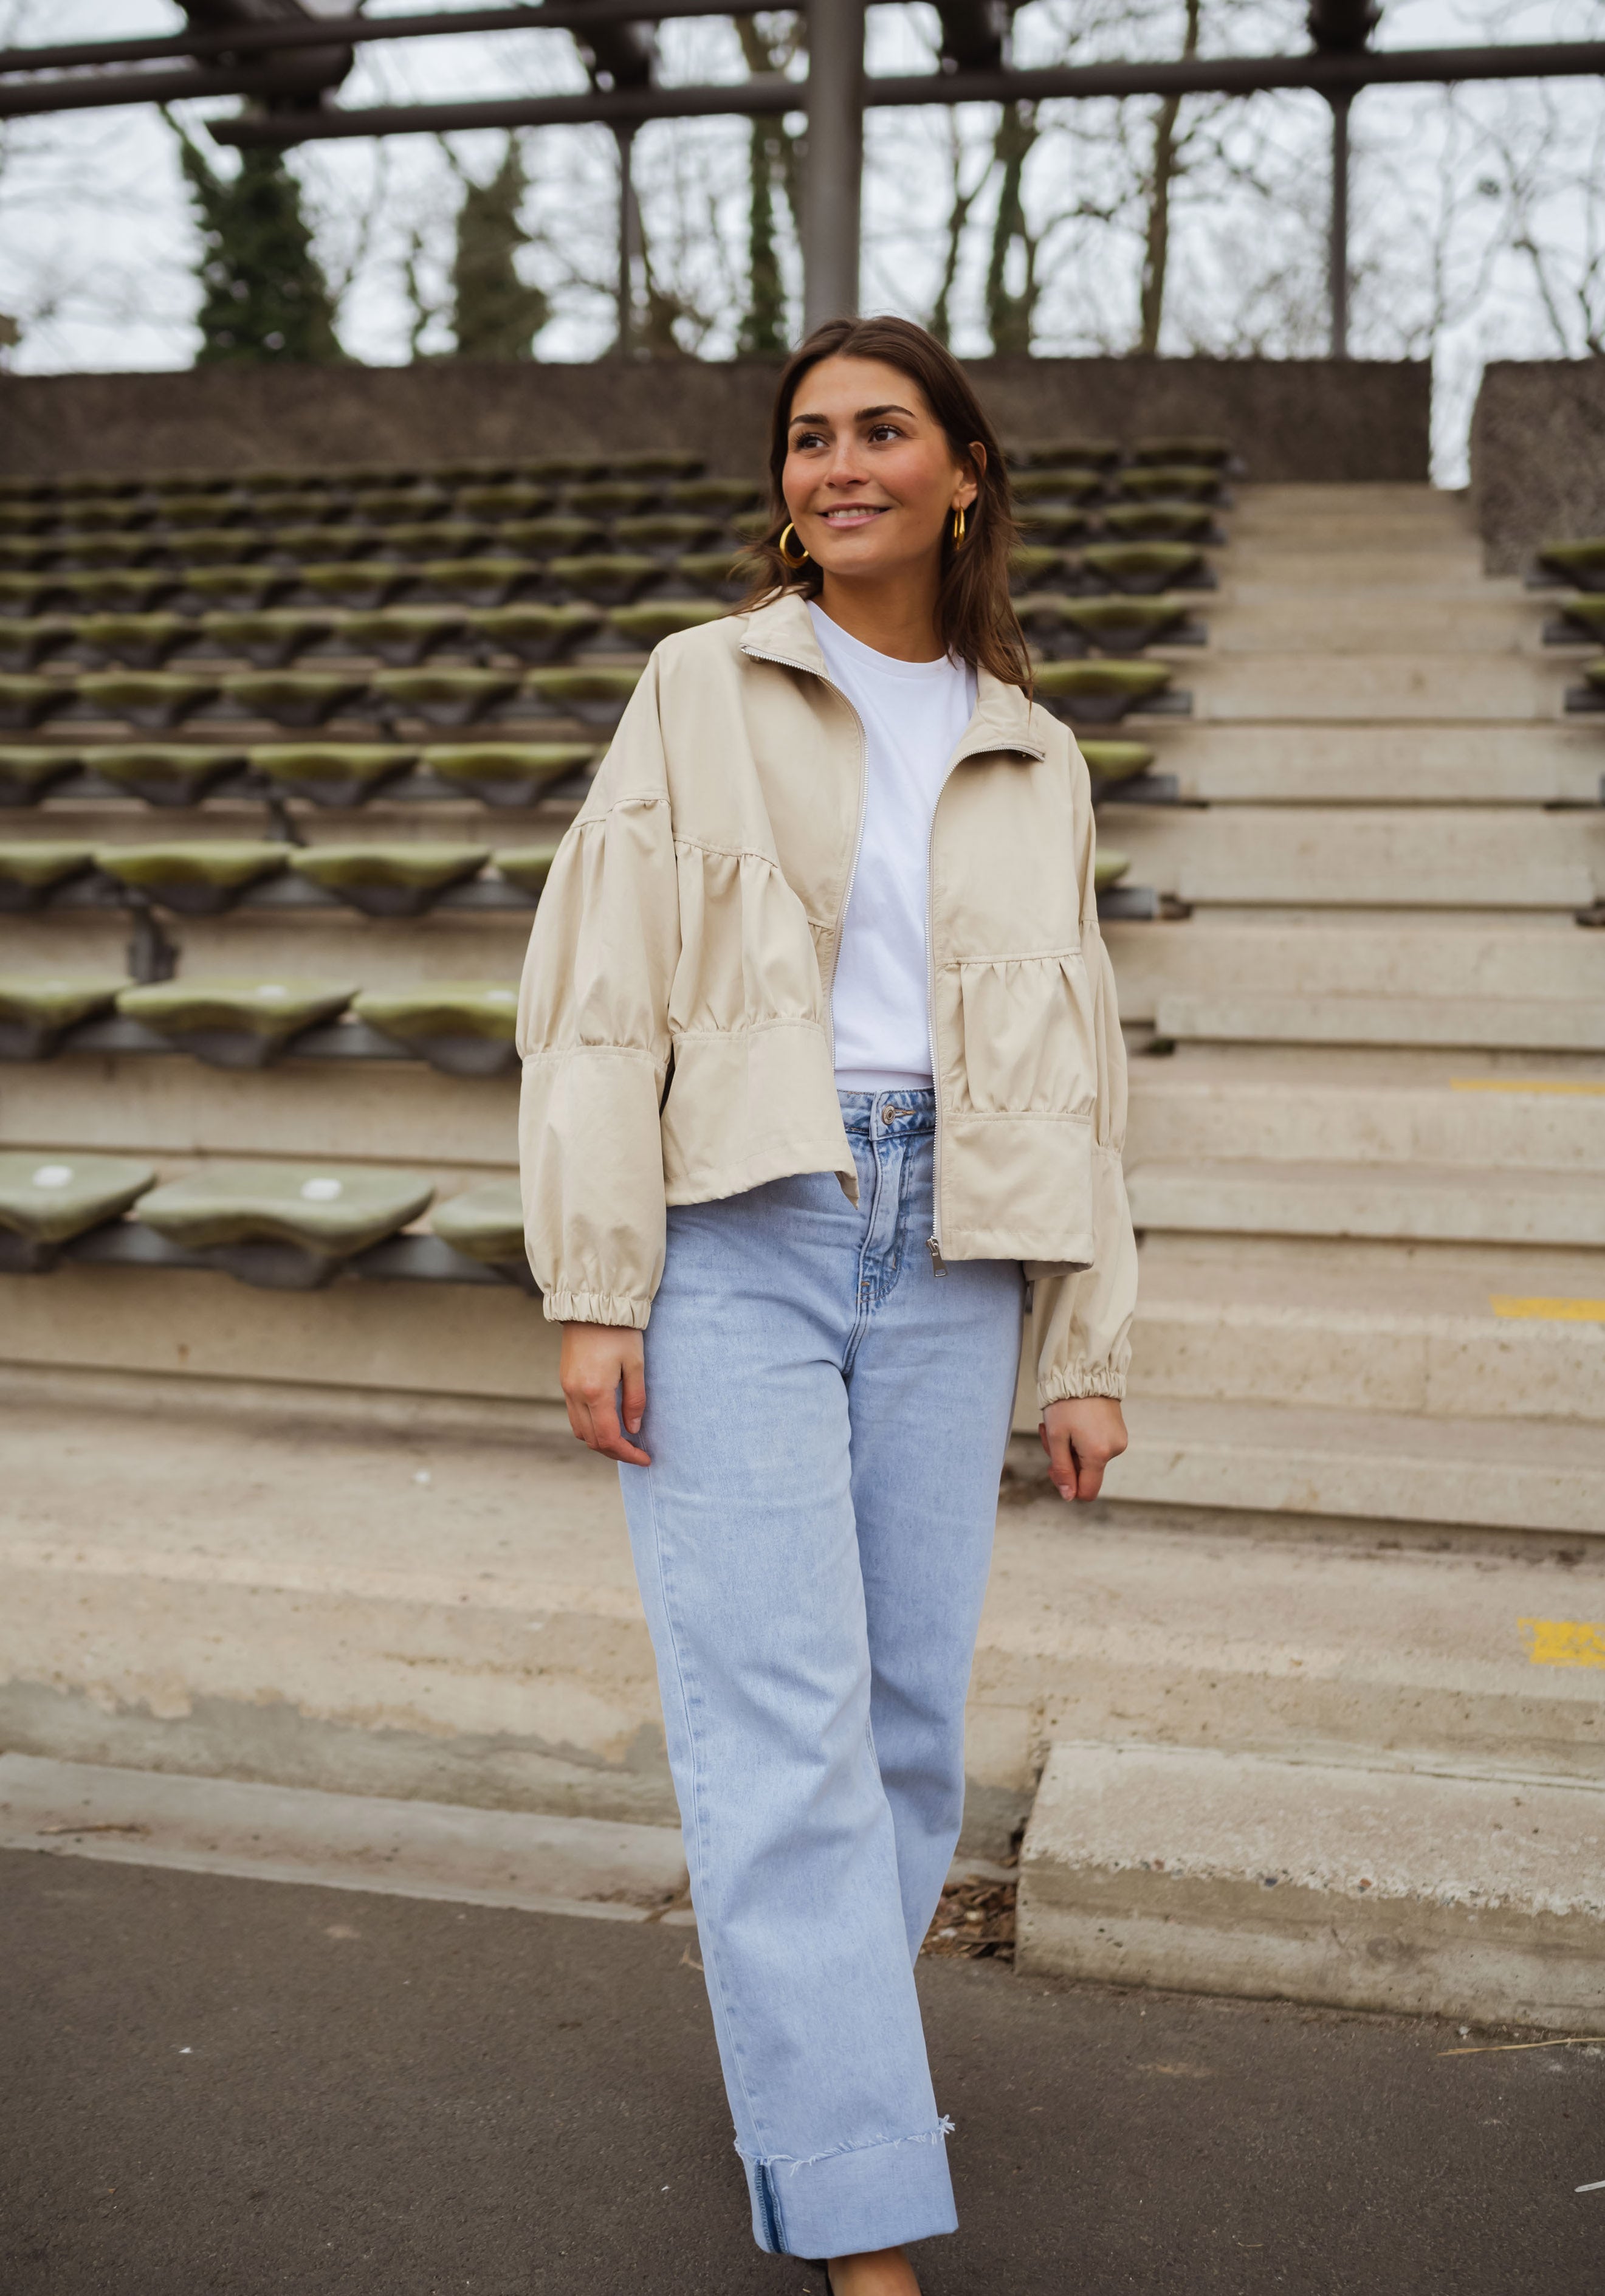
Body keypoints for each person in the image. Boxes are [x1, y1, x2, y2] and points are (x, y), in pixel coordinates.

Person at [516, 316, 1136, 2294]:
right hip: (745, 1220)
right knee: (781, 1724)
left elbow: (1085, 1064)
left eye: (882, 431)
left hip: (960, 1237)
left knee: (899, 1734)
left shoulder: (1035, 751)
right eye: (806, 438)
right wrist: (595, 1280)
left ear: (965, 471)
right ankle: (860, 2200)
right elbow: (601, 990)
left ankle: (813, 2081)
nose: (838, 464)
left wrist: (1084, 1342)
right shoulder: (702, 683)